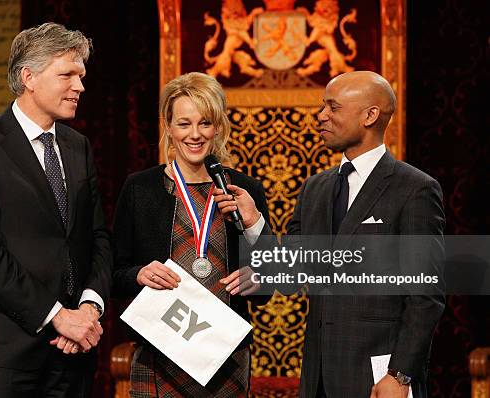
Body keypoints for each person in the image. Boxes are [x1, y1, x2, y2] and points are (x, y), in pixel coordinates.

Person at [0, 23, 111, 397]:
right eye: (67, 74)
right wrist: (58, 317)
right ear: (29, 77)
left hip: (72, 351)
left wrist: (88, 308)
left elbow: (97, 237)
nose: (80, 87)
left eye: (81, 76)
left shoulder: (78, 146)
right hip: (4, 352)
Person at [112, 72, 272, 397]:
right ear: (168, 127)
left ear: (218, 127)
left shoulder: (245, 189)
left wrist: (258, 270)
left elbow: (267, 286)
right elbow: (112, 274)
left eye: (205, 123)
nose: (195, 135)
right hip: (159, 356)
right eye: (184, 124)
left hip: (225, 359)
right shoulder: (140, 189)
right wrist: (138, 274)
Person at [287, 71, 445, 398]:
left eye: (333, 107)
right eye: (322, 107)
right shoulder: (314, 188)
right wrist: (253, 221)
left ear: (370, 116)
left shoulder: (415, 189)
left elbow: (425, 295)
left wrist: (400, 375)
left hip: (380, 378)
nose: (321, 116)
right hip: (317, 378)